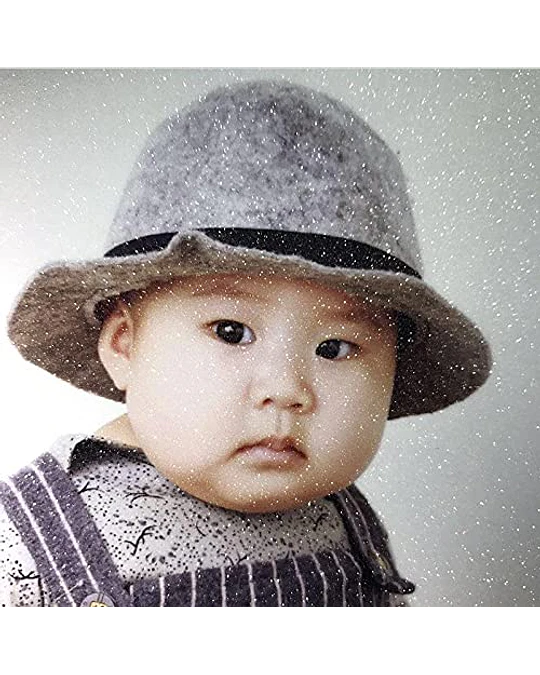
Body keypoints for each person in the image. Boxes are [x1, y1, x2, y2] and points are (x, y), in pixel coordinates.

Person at [0, 80, 492, 608]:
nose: (286, 389)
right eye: (231, 331)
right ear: (123, 345)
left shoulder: (343, 519)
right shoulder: (27, 545)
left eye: (334, 348)